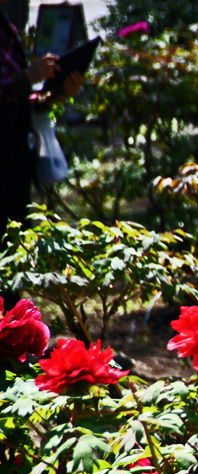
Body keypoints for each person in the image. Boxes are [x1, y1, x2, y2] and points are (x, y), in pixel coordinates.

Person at [0, 0, 82, 308]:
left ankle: (9, 347)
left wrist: (54, 95)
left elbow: (14, 102)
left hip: (12, 168)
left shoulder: (6, 26)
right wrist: (28, 76)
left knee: (11, 260)